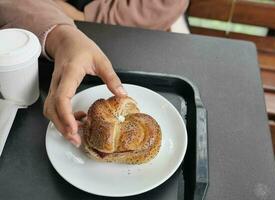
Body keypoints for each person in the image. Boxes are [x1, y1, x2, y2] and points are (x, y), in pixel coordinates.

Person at [0, 0, 188, 147]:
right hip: (43, 55)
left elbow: (122, 19)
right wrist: (62, 36)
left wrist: (57, 11)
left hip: (139, 51)